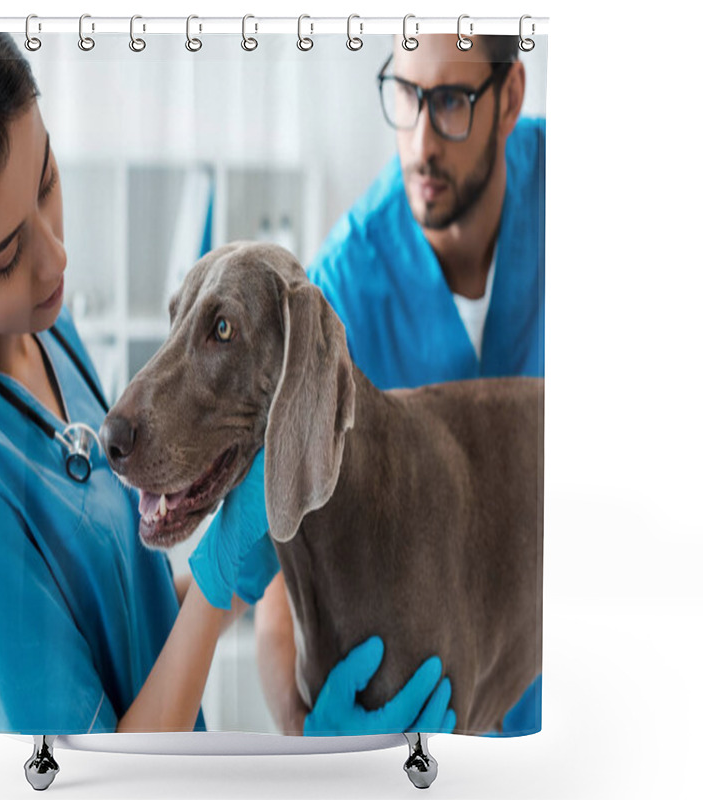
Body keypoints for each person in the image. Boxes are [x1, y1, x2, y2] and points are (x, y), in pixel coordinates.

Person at [0, 33, 454, 736]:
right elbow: (85, 781)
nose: (55, 260)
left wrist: (236, 570)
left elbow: (119, 610)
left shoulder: (42, 332)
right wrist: (220, 582)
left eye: (47, 182)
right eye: (8, 256)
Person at [254, 34, 545, 736]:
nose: (419, 143)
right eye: (407, 93)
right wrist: (309, 734)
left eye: (450, 101)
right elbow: (281, 566)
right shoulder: (341, 290)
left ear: (509, 97)